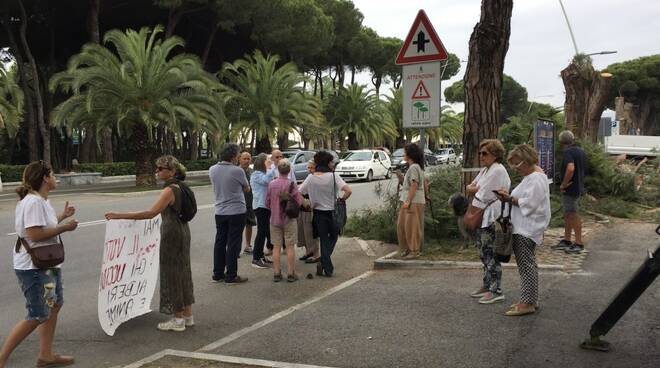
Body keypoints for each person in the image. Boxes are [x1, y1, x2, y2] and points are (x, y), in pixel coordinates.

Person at [0, 161, 78, 368]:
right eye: (53, 174)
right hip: (34, 268)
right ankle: (2, 359)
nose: (56, 178)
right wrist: (64, 228)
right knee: (37, 314)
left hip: (47, 266)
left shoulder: (41, 200)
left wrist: (63, 217)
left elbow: (44, 225)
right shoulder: (33, 201)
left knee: (53, 305)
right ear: (45, 178)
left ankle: (46, 355)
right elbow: (34, 234)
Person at [105, 155, 195, 332]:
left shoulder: (170, 190)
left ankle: (178, 320)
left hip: (172, 234)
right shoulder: (183, 187)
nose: (157, 171)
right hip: (184, 231)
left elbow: (150, 213)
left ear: (172, 171)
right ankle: (188, 316)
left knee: (172, 274)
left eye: (161, 169)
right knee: (184, 271)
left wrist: (119, 215)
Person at [495, 144, 551, 316]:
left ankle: (527, 302)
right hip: (524, 227)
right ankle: (529, 300)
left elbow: (530, 203)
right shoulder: (533, 177)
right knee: (527, 265)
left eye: (517, 164)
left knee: (526, 265)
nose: (515, 168)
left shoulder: (536, 178)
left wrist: (509, 198)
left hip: (527, 228)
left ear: (526, 161)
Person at [466, 139, 511, 304]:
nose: (481, 156)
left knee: (491, 254)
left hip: (492, 218)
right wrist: (474, 189)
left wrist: (474, 189)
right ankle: (487, 284)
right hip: (482, 217)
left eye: (485, 153)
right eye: (480, 153)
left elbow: (482, 194)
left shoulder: (497, 171)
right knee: (483, 253)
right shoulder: (486, 170)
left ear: (495, 154)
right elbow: (469, 187)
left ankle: (496, 289)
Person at [299, 150, 352, 277]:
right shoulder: (333, 176)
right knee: (334, 236)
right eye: (331, 162)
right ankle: (325, 265)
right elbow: (348, 190)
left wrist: (308, 204)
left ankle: (326, 266)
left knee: (323, 238)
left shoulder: (310, 177)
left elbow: (298, 192)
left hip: (317, 213)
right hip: (332, 212)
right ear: (327, 163)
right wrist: (341, 199)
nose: (333, 164)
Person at [209, 143, 250, 284]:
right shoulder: (237, 171)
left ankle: (217, 273)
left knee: (220, 242)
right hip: (236, 211)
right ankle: (231, 275)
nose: (239, 157)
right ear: (233, 156)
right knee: (233, 243)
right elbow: (246, 188)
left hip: (220, 211)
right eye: (238, 155)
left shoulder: (212, 169)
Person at [266, 159, 303, 282]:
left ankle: (277, 273)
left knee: (276, 247)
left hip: (275, 220)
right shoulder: (292, 184)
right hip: (289, 219)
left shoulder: (271, 184)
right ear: (289, 170)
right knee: (290, 247)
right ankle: (291, 273)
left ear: (278, 170)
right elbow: (299, 202)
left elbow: (267, 203)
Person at [555, 130, 587, 254]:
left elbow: (570, 168)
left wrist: (563, 184)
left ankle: (579, 243)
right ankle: (567, 240)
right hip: (578, 186)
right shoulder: (580, 151)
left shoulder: (567, 152)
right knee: (568, 214)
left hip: (570, 188)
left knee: (573, 214)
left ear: (561, 142)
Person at [395, 143, 427, 260]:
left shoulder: (414, 167)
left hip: (413, 201)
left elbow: (414, 184)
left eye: (405, 152)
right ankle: (408, 249)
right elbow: (419, 183)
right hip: (411, 200)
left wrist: (408, 201)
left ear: (409, 154)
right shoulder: (415, 167)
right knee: (403, 225)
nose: (403, 155)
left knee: (412, 227)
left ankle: (414, 251)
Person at [250, 153, 274, 269]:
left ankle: (261, 256)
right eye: (268, 160)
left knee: (264, 232)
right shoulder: (256, 174)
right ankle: (256, 258)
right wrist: (269, 167)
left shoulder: (263, 174)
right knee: (261, 232)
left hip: (266, 206)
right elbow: (266, 181)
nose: (270, 162)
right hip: (260, 206)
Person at [298, 160, 320, 263]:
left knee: (310, 232)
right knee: (304, 231)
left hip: (309, 207)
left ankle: (315, 254)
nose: (310, 170)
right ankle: (308, 252)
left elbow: (300, 190)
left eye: (312, 168)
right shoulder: (311, 176)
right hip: (305, 207)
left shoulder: (314, 177)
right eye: (309, 168)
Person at [239, 151, 256, 255]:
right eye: (244, 158)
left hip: (250, 203)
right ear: (239, 159)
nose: (246, 160)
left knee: (249, 224)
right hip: (239, 204)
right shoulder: (236, 171)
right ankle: (236, 248)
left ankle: (248, 245)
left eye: (248, 158)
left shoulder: (252, 171)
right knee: (238, 227)